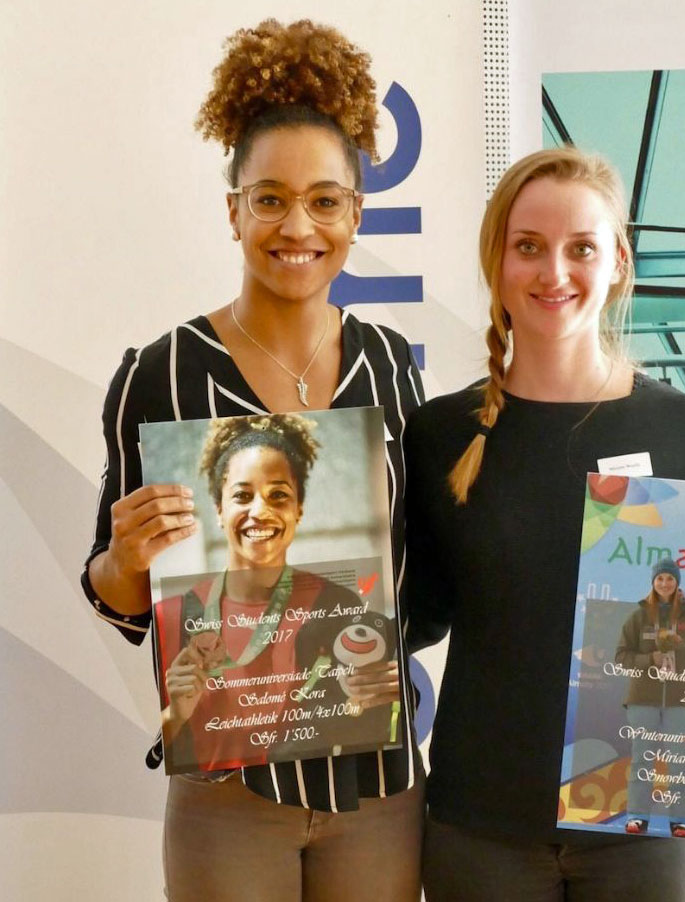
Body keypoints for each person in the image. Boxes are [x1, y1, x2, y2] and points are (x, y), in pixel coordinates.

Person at [404, 146, 685, 901]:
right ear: (498, 261)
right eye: (529, 246)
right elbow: (412, 616)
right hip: (481, 826)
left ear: (618, 260)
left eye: (581, 248)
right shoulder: (440, 435)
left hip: (649, 829)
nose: (554, 272)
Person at [81, 20, 423, 902]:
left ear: (356, 213)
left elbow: (417, 572)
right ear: (232, 209)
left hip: (377, 787)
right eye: (269, 198)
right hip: (227, 788)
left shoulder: (391, 366)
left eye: (324, 201)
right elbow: (116, 596)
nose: (296, 226)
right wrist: (127, 558)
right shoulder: (158, 374)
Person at [157, 414, 398, 773]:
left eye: (279, 495)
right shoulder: (170, 617)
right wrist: (175, 714)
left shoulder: (339, 607)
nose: (260, 511)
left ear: (298, 509)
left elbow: (365, 725)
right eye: (242, 495)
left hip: (309, 793)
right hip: (214, 801)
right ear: (219, 510)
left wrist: (388, 696)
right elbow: (140, 748)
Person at [615, 558, 685, 836]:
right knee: (642, 759)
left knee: (679, 762)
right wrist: (650, 659)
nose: (665, 583)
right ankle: (637, 817)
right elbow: (621, 657)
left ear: (677, 582)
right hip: (643, 700)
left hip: (679, 702)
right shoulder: (639, 616)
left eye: (670, 578)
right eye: (660, 578)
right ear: (653, 582)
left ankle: (680, 820)